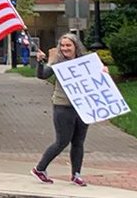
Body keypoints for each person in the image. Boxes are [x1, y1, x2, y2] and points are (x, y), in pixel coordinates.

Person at [30, 33, 107, 187]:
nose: (65, 48)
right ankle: (40, 168)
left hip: (82, 107)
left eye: (68, 45)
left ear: (75, 47)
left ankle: (76, 174)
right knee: (62, 141)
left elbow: (98, 79)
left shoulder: (86, 62)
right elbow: (43, 75)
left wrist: (103, 72)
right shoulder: (57, 62)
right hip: (62, 107)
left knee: (78, 142)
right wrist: (40, 62)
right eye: (62, 46)